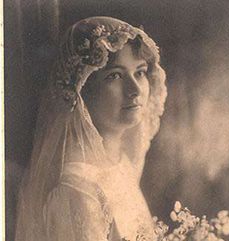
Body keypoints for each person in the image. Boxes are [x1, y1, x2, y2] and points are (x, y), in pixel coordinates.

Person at [15, 16, 167, 241]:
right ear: (84, 91)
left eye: (140, 72)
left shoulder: (121, 162)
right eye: (114, 75)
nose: (135, 90)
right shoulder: (77, 190)